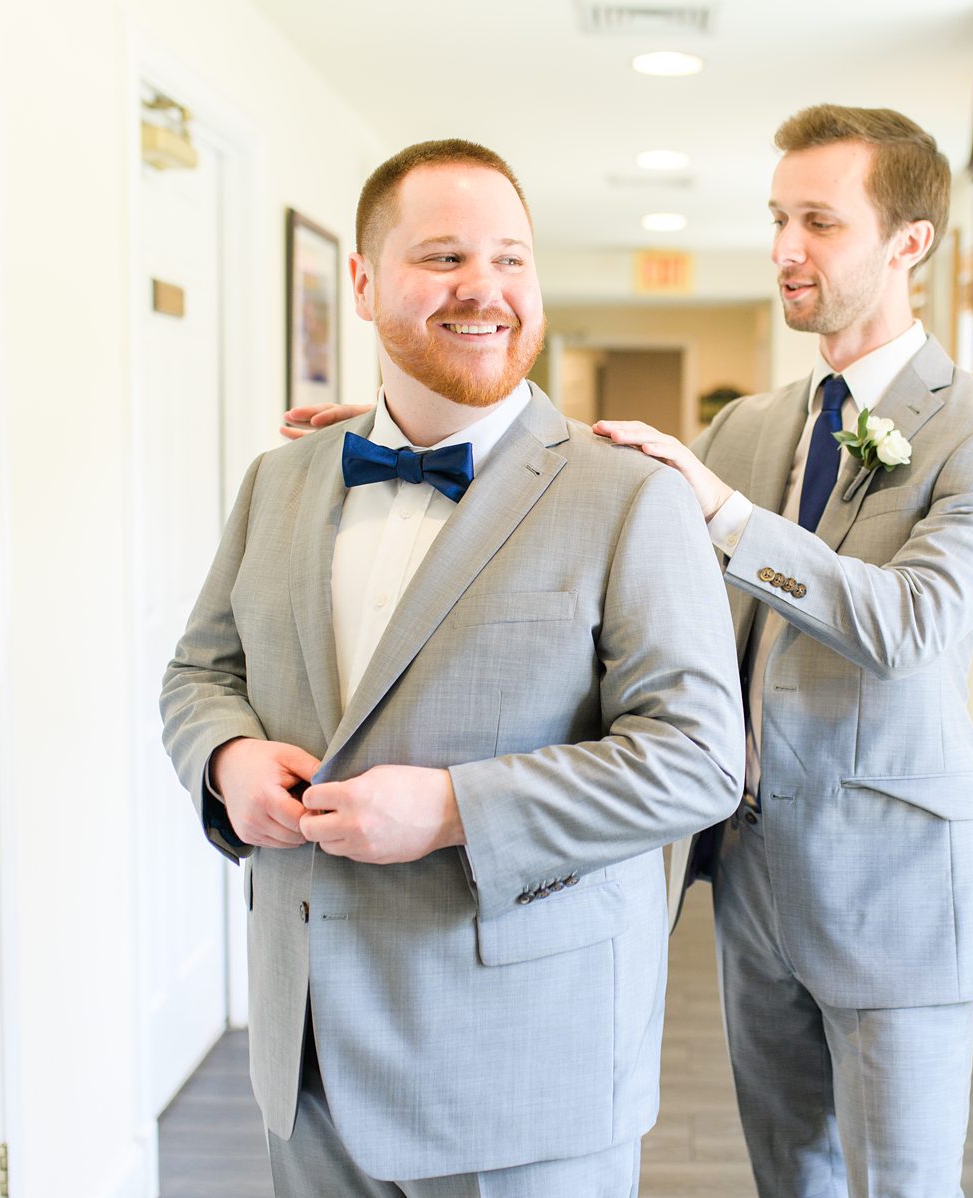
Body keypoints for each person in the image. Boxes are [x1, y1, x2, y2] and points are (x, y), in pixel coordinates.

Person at [285, 106, 973, 1198]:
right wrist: (412, 420)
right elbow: (584, 490)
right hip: (742, 882)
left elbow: (912, 624)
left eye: (820, 223)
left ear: (908, 244)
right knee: (788, 1176)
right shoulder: (747, 424)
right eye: (780, 218)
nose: (786, 247)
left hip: (891, 897)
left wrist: (732, 517)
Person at [162, 138, 743, 1198]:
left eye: (512, 258)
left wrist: (453, 807)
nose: (485, 288)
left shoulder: (629, 497)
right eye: (442, 257)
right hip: (307, 1060)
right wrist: (228, 757)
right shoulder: (276, 483)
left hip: (523, 1072)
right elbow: (199, 671)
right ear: (364, 281)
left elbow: (701, 761)